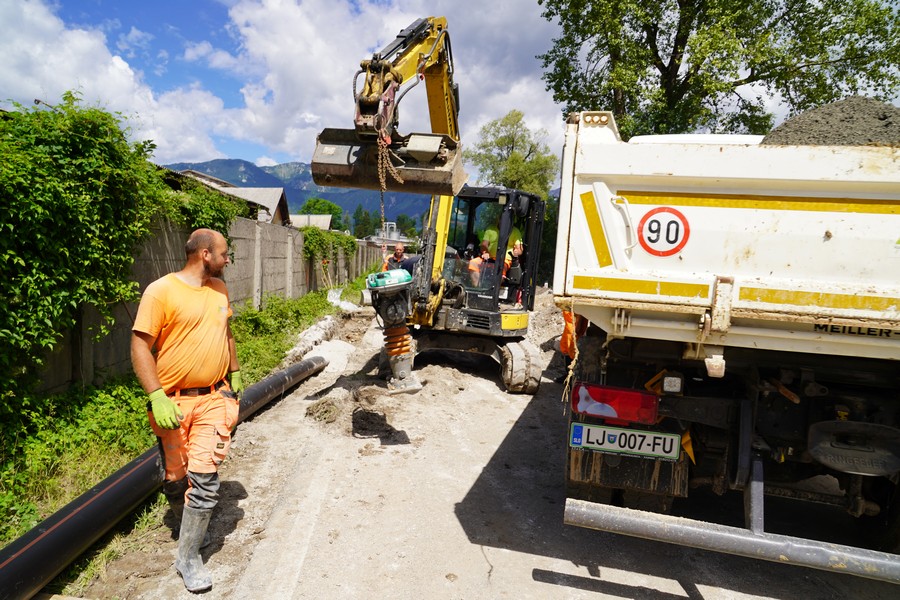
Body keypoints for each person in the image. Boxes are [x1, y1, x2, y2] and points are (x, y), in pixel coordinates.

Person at [130, 228, 243, 593]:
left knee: (205, 480)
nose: (228, 259)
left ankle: (188, 556)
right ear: (205, 254)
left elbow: (226, 333)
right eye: (224, 253)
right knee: (176, 479)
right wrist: (156, 395)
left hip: (213, 398)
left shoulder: (220, 289)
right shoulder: (161, 291)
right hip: (174, 403)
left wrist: (235, 371)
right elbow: (139, 346)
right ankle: (187, 527)